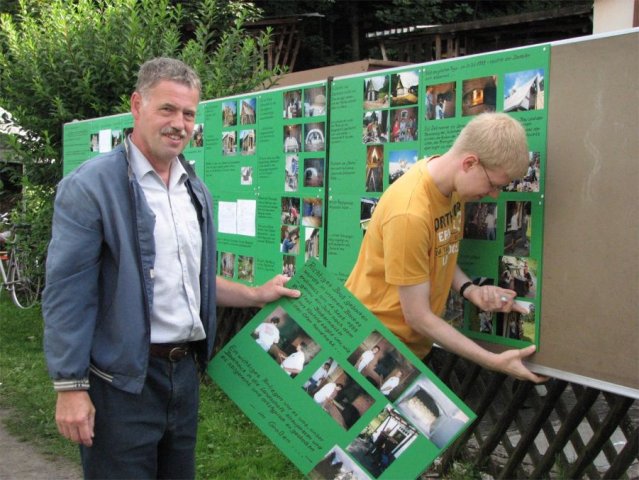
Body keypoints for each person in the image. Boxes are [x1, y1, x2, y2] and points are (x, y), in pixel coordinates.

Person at [42, 57, 301, 479]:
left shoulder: (193, 189)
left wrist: (256, 295)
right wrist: (70, 387)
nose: (179, 124)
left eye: (188, 113)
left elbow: (191, 281)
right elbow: (67, 294)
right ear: (137, 105)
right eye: (167, 109)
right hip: (121, 383)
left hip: (182, 377)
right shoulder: (90, 187)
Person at [345, 113, 547, 383]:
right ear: (469, 163)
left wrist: (470, 290)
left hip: (406, 346)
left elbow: (440, 250)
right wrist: (494, 361)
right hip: (372, 343)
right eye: (493, 185)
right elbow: (418, 317)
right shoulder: (410, 214)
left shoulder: (449, 185)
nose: (494, 195)